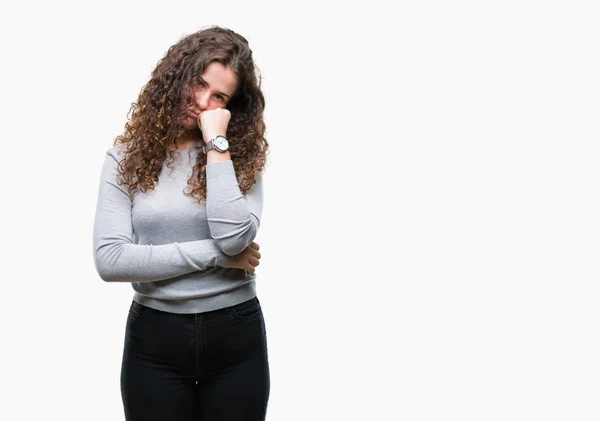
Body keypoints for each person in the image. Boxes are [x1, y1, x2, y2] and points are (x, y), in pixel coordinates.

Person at [92, 25, 270, 421]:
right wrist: (220, 258)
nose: (203, 101)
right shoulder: (126, 156)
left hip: (235, 335)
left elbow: (236, 235)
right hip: (155, 338)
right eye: (199, 84)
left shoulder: (238, 155)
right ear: (179, 75)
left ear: (231, 106)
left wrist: (216, 142)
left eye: (219, 96)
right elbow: (111, 260)